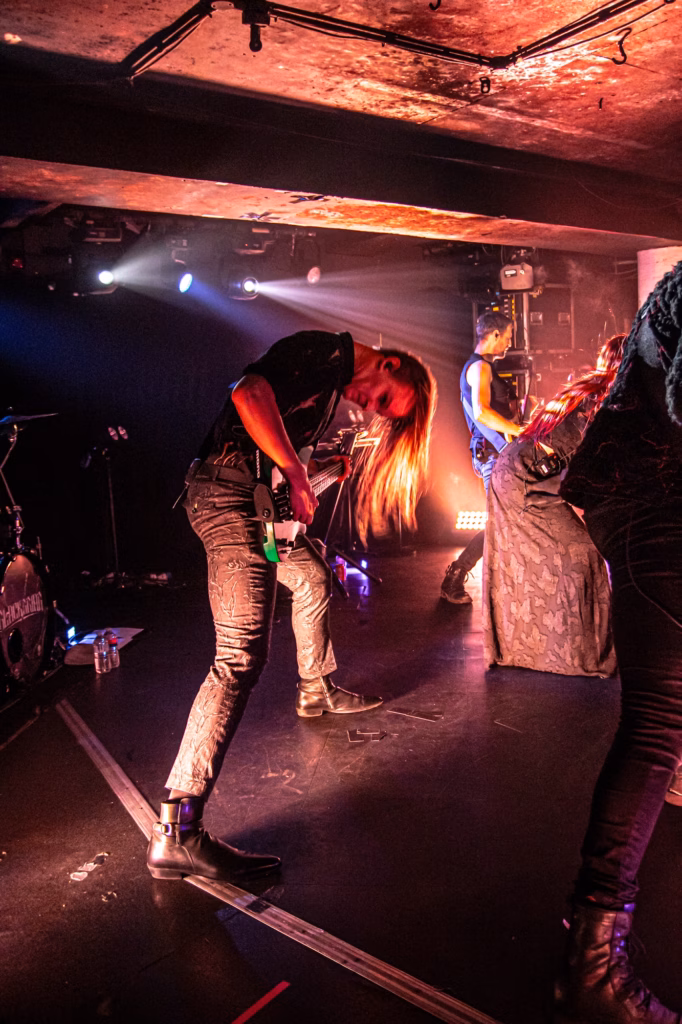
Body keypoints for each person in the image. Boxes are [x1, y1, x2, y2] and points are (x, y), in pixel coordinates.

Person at [147, 329, 437, 883]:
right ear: (391, 363)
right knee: (237, 659)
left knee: (310, 577)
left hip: (252, 504)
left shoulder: (327, 387)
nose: (368, 407)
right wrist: (301, 474)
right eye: (381, 400)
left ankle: (315, 687)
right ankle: (177, 833)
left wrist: (319, 466)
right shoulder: (327, 352)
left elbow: (274, 456)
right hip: (230, 501)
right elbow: (247, 392)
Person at [553, 264, 682, 1022]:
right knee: (658, 722)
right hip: (659, 497)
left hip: (638, 492)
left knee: (663, 719)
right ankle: (591, 970)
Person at [482, 336, 625, 677]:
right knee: (582, 553)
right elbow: (590, 467)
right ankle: (581, 658)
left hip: (528, 472)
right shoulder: (601, 398)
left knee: (562, 555)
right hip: (523, 478)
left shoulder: (602, 393)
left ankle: (529, 651)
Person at [440, 311, 522, 604]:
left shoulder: (481, 368)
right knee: (502, 523)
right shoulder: (480, 369)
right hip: (492, 457)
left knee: (507, 521)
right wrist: (517, 429)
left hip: (492, 455)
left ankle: (498, 582)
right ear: (495, 334)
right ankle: (457, 575)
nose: (511, 342)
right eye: (509, 335)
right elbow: (481, 412)